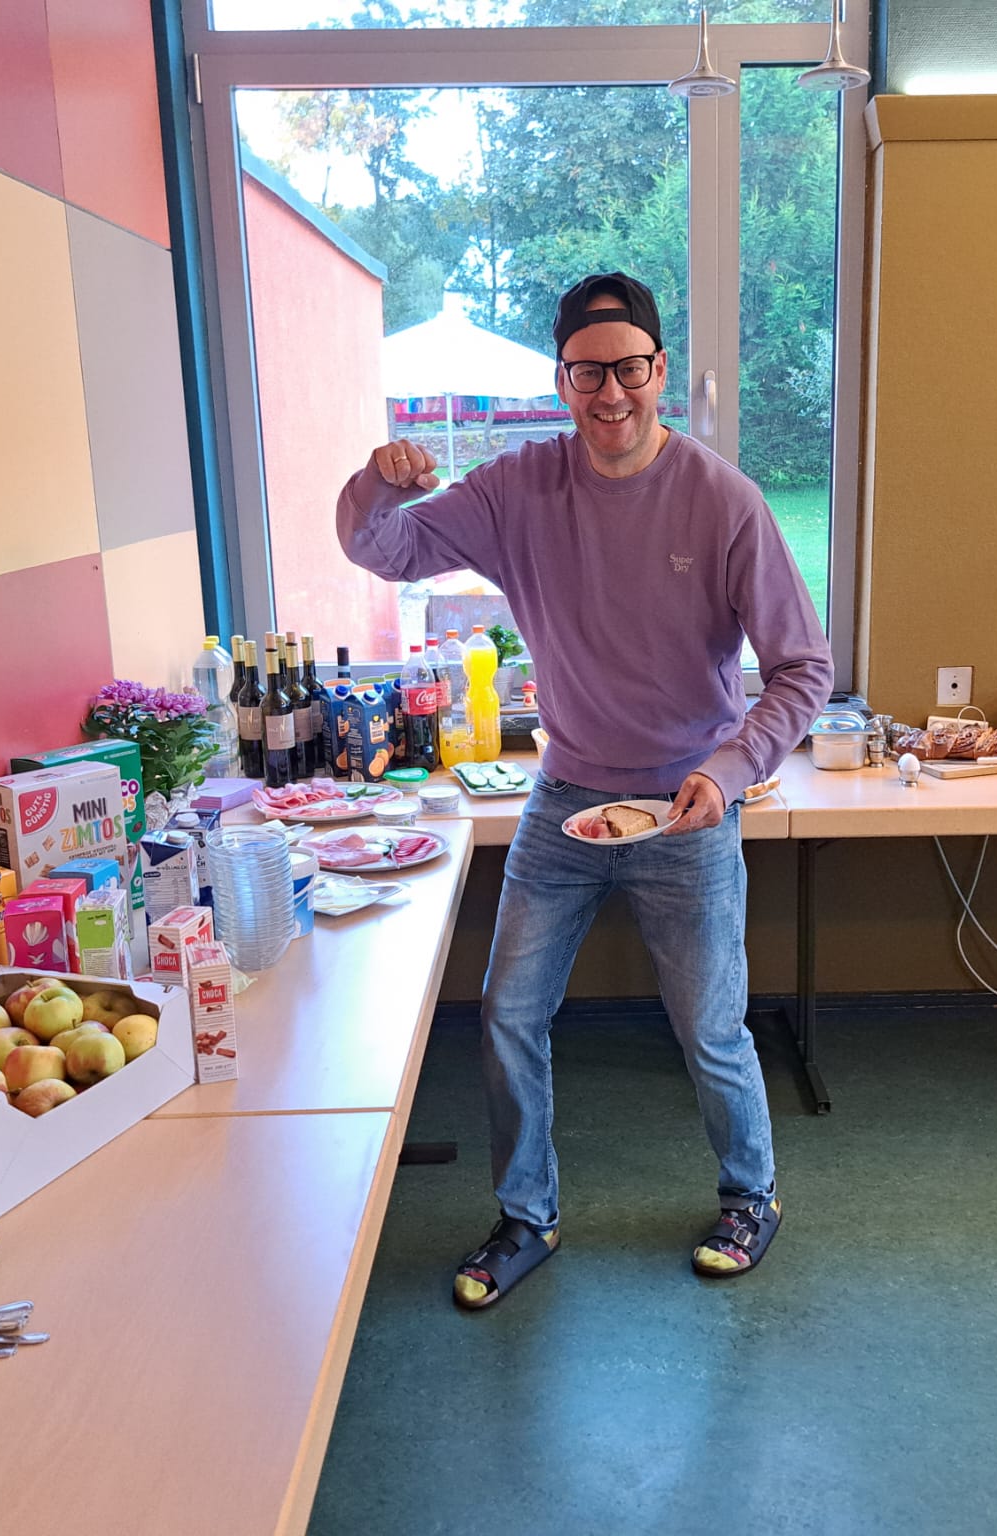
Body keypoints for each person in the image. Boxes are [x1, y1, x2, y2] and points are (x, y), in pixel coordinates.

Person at [336, 272, 832, 1308]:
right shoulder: (517, 489)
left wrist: (728, 770)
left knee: (710, 1027)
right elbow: (388, 548)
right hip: (563, 801)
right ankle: (527, 1215)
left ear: (660, 371)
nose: (610, 393)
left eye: (628, 369)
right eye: (586, 373)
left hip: (688, 807)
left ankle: (751, 1197)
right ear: (561, 382)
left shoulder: (722, 500)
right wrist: (381, 483)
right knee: (508, 1013)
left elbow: (802, 670)